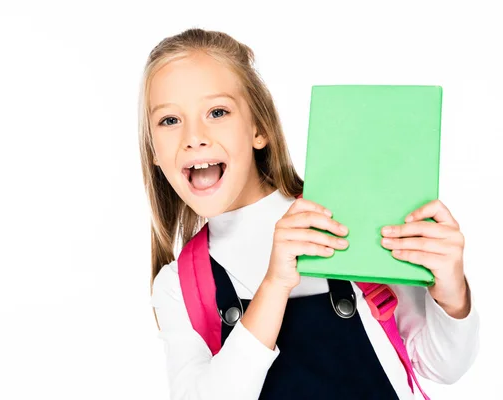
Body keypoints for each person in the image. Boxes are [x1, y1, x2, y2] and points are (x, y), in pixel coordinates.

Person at [138, 28, 479, 399]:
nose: (194, 136)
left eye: (217, 112)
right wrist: (275, 285)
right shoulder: (179, 285)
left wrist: (451, 292)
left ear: (260, 128)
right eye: (169, 120)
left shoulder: (349, 220)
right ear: (154, 150)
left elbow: (440, 366)